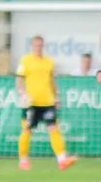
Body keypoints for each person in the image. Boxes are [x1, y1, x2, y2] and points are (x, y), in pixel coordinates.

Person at [17, 36, 76, 171]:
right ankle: (23, 159)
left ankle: (62, 160)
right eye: (36, 45)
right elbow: (19, 80)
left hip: (47, 102)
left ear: (43, 46)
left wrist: (57, 97)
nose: (38, 48)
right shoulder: (25, 61)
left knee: (54, 128)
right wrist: (23, 93)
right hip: (31, 102)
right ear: (32, 46)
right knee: (27, 129)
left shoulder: (49, 62)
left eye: (41, 45)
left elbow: (52, 81)